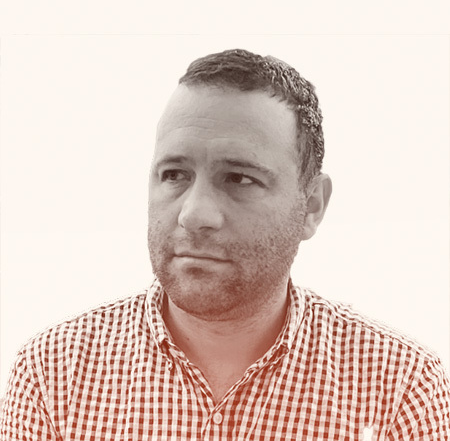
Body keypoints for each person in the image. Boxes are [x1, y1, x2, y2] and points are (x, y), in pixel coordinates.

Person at [1, 48, 449, 440]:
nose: (194, 214)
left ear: (312, 205)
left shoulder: (401, 389)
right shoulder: (52, 376)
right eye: (174, 174)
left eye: (239, 178)